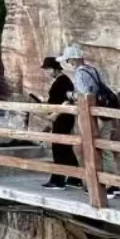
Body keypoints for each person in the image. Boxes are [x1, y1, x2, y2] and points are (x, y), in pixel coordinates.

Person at [60, 44, 120, 199]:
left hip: (94, 117)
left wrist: (70, 95)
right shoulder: (93, 69)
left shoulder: (80, 73)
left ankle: (103, 186)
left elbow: (85, 96)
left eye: (68, 60)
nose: (68, 63)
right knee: (106, 149)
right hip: (105, 113)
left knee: (93, 149)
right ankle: (114, 185)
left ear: (74, 59)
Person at [41, 56, 79, 189]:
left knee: (58, 147)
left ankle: (58, 180)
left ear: (55, 68)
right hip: (60, 116)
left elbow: (68, 100)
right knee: (65, 147)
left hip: (63, 117)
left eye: (48, 69)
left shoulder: (63, 81)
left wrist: (55, 114)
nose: (47, 72)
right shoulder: (61, 81)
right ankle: (75, 177)